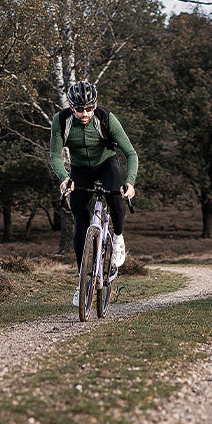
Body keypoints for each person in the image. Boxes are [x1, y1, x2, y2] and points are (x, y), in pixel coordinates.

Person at [49, 80, 138, 307]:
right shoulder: (61, 121)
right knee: (80, 223)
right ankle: (83, 283)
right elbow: (54, 157)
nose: (85, 113)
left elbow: (131, 153)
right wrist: (65, 179)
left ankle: (117, 236)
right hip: (79, 170)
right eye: (79, 109)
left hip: (107, 164)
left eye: (89, 108)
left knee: (118, 200)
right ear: (71, 106)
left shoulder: (107, 118)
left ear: (95, 105)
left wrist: (129, 183)